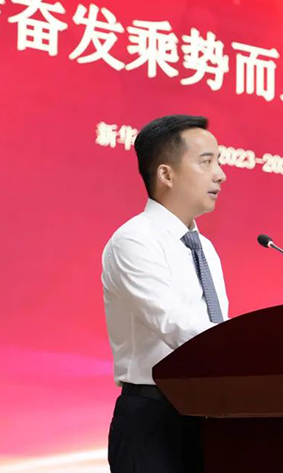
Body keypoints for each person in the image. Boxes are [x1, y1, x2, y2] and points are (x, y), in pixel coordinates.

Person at [101, 114, 229, 473]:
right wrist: (248, 350)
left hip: (207, 418)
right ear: (166, 175)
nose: (220, 174)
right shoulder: (134, 240)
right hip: (153, 419)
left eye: (219, 162)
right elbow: (175, 325)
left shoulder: (205, 248)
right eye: (206, 162)